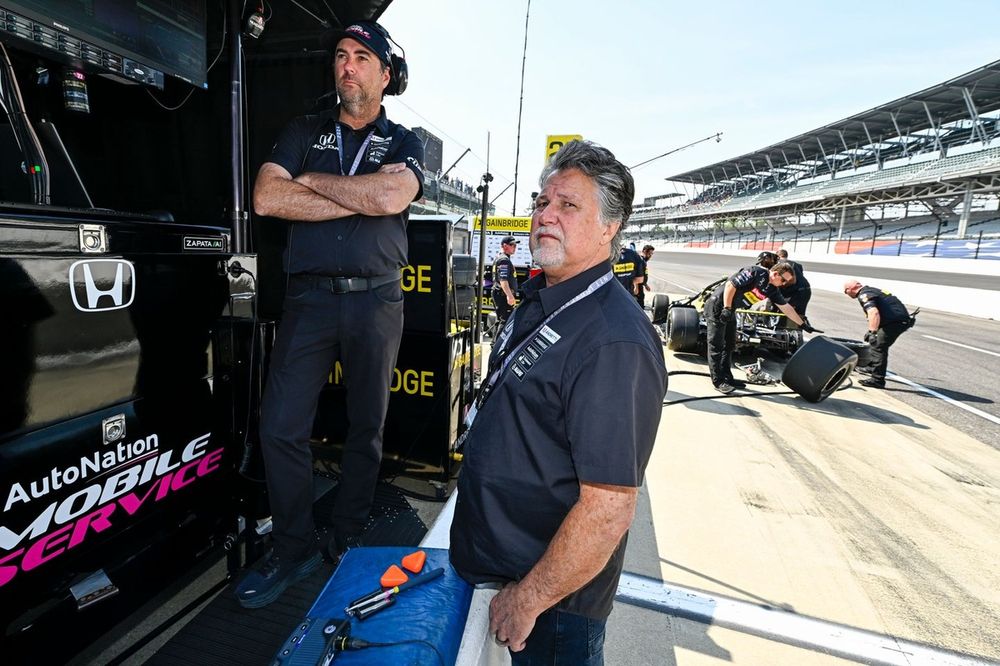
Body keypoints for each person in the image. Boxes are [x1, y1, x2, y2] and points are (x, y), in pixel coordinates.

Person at [450, 140, 666, 664]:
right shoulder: (545, 298)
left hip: (550, 606)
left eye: (568, 205)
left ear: (610, 227)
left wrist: (530, 599)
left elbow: (609, 507)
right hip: (497, 569)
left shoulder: (614, 341)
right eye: (541, 203)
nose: (546, 216)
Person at [236, 20, 424, 609]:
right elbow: (268, 198)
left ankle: (347, 535)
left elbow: (391, 198)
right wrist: (354, 191)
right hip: (309, 298)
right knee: (279, 426)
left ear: (384, 74)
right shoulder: (301, 128)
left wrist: (313, 184)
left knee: (366, 427)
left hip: (377, 297)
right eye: (341, 55)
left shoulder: (406, 141)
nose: (347, 65)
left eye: (361, 57)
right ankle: (292, 548)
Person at [705, 260, 815, 394]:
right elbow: (730, 285)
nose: (785, 284)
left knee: (729, 345)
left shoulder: (772, 289)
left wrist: (802, 324)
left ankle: (727, 377)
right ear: (775, 274)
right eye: (784, 280)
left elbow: (787, 308)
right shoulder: (756, 272)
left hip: (730, 310)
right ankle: (718, 381)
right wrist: (726, 308)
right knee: (716, 345)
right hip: (718, 306)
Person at [843, 280, 912, 388]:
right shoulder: (872, 290)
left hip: (894, 323)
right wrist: (872, 331)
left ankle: (877, 380)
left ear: (850, 289)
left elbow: (873, 312)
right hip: (896, 321)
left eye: (845, 292)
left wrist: (872, 332)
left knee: (878, 346)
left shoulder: (864, 295)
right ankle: (872, 367)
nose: (846, 294)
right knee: (874, 341)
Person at [491, 235, 520, 324]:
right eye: (512, 245)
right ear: (504, 246)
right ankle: (498, 338)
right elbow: (503, 280)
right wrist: (509, 295)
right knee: (505, 322)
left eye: (515, 245)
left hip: (500, 293)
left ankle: (496, 338)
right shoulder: (504, 260)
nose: (515, 247)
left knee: (501, 321)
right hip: (502, 295)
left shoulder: (501, 258)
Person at [777, 248, 811, 317]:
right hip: (806, 290)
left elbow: (789, 280)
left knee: (785, 310)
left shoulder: (779, 264)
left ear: (778, 256)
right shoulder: (797, 265)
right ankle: (801, 326)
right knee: (800, 313)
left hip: (795, 292)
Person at [638, 244, 655, 308]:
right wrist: (636, 287)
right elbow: (637, 275)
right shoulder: (640, 260)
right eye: (650, 253)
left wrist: (645, 285)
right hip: (637, 286)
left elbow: (643, 274)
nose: (650, 256)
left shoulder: (643, 261)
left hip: (640, 285)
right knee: (639, 304)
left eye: (651, 254)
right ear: (645, 251)